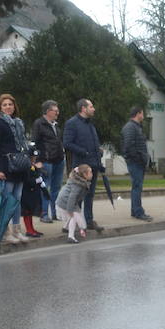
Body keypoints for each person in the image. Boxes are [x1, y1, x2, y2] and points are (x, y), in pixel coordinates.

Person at [0, 93, 31, 244]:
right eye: (5, 105)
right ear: (0, 107)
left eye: (10, 104)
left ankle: (17, 230)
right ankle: (5, 232)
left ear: (14, 107)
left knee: (17, 200)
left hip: (19, 167)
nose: (8, 107)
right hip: (6, 167)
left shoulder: (18, 123)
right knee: (6, 200)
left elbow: (23, 145)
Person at [63, 98, 104, 232]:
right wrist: (84, 151)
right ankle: (71, 224)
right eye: (91, 106)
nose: (94, 109)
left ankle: (88, 220)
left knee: (90, 195)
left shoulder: (90, 124)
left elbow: (92, 142)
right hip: (80, 166)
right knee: (77, 196)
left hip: (93, 165)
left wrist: (98, 151)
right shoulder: (72, 123)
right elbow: (67, 143)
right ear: (83, 109)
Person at [31, 100, 65, 224]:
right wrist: (37, 160)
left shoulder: (56, 126)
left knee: (56, 187)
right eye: (55, 111)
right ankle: (44, 213)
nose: (57, 113)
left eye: (57, 110)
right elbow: (34, 142)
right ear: (47, 111)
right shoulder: (39, 124)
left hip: (59, 160)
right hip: (46, 161)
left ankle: (55, 212)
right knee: (45, 187)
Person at [121, 106, 153, 221]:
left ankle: (135, 210)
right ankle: (138, 212)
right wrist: (139, 158)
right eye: (142, 113)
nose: (143, 116)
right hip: (135, 163)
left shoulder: (135, 127)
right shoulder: (131, 127)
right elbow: (128, 146)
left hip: (138, 162)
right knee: (137, 187)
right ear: (138, 114)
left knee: (137, 187)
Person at [55, 164, 92, 243]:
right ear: (84, 175)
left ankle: (66, 228)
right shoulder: (77, 185)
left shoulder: (81, 182)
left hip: (67, 202)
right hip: (64, 202)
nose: (92, 174)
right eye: (90, 172)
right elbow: (72, 198)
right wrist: (70, 211)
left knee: (80, 220)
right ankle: (71, 236)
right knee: (73, 217)